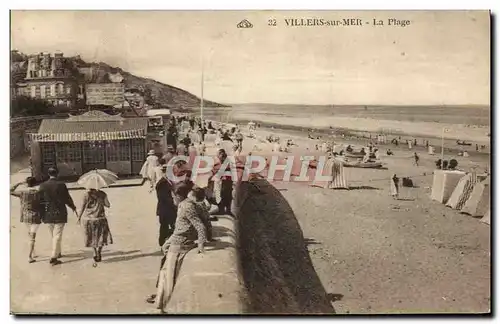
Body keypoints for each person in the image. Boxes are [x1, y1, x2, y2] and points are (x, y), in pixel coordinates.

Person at [153, 182, 207, 310]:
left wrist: (200, 245)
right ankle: (160, 302)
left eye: (173, 197)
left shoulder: (186, 207)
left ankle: (164, 304)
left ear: (178, 196)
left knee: (168, 275)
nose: (173, 200)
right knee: (165, 272)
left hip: (180, 245)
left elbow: (200, 226)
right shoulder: (188, 204)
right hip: (178, 242)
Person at [39, 167, 77, 265]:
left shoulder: (43, 185)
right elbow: (67, 198)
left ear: (48, 174)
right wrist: (73, 207)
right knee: (57, 235)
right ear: (57, 174)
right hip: (60, 212)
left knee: (53, 235)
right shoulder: (61, 185)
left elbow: (40, 200)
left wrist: (40, 213)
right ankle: (53, 257)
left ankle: (58, 252)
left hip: (48, 213)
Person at [10, 176, 42, 263]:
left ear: (27, 183)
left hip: (25, 216)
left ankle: (33, 253)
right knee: (32, 236)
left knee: (30, 235)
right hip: (36, 216)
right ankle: (30, 256)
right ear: (35, 183)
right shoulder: (38, 192)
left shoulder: (22, 192)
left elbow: (9, 190)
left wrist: (19, 183)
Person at [77, 189, 113, 262]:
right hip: (100, 219)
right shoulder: (102, 194)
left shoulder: (86, 195)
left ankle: (94, 252)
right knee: (101, 237)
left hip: (89, 219)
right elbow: (108, 205)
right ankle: (99, 251)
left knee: (91, 237)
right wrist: (101, 201)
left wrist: (79, 217)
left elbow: (83, 207)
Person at [155, 165, 177, 248]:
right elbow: (164, 197)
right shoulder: (162, 183)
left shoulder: (167, 181)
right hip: (165, 208)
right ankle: (162, 242)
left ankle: (165, 241)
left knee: (169, 225)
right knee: (165, 226)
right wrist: (174, 203)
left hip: (168, 208)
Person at [210, 149, 234, 216]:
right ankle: (224, 210)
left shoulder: (227, 163)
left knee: (224, 195)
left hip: (226, 182)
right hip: (225, 182)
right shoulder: (223, 163)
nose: (218, 158)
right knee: (223, 195)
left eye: (219, 156)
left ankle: (225, 210)